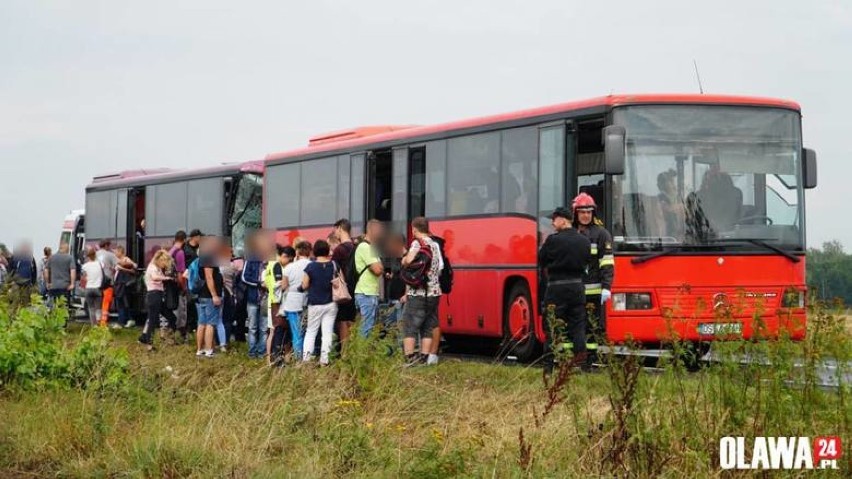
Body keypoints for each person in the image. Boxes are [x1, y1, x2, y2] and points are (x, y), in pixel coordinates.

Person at [539, 207, 592, 374]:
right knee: (578, 326)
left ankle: (549, 366)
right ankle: (579, 364)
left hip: (556, 287)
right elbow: (587, 262)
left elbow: (542, 260)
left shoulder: (553, 240)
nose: (553, 223)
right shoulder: (584, 240)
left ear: (563, 220)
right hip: (577, 287)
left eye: (554, 220)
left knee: (552, 326)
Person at [572, 193, 615, 364]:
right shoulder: (570, 233)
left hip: (594, 291)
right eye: (582, 212)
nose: (585, 215)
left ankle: (588, 360)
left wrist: (606, 287)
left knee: (592, 326)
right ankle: (575, 358)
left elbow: (607, 263)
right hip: (574, 290)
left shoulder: (601, 234)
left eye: (589, 212)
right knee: (575, 325)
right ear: (575, 213)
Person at [401, 217, 444, 365]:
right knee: (428, 325)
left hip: (418, 292)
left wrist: (404, 259)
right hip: (434, 292)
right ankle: (424, 358)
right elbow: (440, 268)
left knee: (410, 325)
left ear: (414, 229)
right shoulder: (435, 244)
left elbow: (409, 261)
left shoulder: (417, 243)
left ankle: (409, 358)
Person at [300, 240, 338, 365]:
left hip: (315, 304)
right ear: (327, 250)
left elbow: (304, 285)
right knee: (327, 334)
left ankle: (307, 360)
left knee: (311, 332)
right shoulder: (333, 264)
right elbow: (339, 281)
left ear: (315, 251)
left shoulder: (310, 267)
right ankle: (324, 361)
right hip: (331, 303)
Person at [139, 250, 177, 351]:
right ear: (160, 260)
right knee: (152, 321)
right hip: (153, 295)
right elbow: (155, 277)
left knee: (171, 317)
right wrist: (166, 278)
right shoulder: (152, 268)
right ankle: (149, 344)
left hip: (158, 296)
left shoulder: (157, 268)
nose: (165, 265)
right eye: (164, 262)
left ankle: (165, 336)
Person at [354, 219, 385, 337]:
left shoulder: (371, 248)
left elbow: (380, 268)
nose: (381, 233)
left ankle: (362, 352)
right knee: (366, 327)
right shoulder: (365, 247)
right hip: (366, 293)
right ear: (371, 230)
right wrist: (379, 268)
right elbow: (378, 270)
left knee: (368, 326)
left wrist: (379, 267)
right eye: (379, 230)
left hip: (369, 292)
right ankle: (361, 353)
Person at [194, 237, 225, 358]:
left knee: (202, 323)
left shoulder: (202, 257)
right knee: (210, 323)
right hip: (209, 296)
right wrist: (214, 295)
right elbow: (209, 277)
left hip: (203, 295)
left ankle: (200, 349)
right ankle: (208, 350)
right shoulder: (208, 258)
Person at [281, 241, 311, 361]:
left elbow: (284, 286)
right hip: (307, 301)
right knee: (308, 331)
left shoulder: (289, 267)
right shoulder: (312, 265)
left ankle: (299, 358)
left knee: (296, 333)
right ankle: (307, 356)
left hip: (292, 302)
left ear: (297, 252)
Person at [266, 245, 294, 365]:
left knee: (273, 331)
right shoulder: (277, 266)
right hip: (278, 302)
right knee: (278, 331)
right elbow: (279, 284)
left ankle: (270, 359)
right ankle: (276, 359)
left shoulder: (269, 265)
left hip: (272, 300)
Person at [331, 219, 357, 344]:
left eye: (335, 230)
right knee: (352, 319)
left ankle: (344, 352)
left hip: (343, 289)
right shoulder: (356, 247)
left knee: (343, 321)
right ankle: (352, 349)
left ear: (340, 228)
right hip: (356, 287)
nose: (334, 233)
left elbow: (334, 269)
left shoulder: (339, 250)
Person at [242, 234, 267, 359]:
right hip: (253, 298)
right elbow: (244, 277)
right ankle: (252, 352)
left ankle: (262, 352)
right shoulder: (251, 259)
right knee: (252, 327)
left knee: (263, 328)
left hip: (265, 300)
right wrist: (259, 284)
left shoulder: (270, 260)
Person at [169, 231, 190, 341]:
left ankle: (172, 335)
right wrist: (183, 287)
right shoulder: (180, 253)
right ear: (184, 240)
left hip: (170, 286)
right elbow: (180, 274)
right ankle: (181, 336)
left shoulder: (171, 251)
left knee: (174, 311)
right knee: (181, 312)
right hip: (178, 286)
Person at [218, 245, 238, 352]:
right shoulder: (232, 266)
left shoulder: (216, 265)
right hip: (229, 295)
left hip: (219, 295)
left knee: (219, 320)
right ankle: (226, 341)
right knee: (228, 320)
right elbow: (236, 278)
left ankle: (219, 342)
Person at [46, 243, 75, 314]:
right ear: (65, 249)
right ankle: (63, 323)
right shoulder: (70, 258)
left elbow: (46, 270)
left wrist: (47, 283)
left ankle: (53, 322)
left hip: (53, 286)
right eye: (68, 249)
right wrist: (72, 284)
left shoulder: (51, 258)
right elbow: (72, 271)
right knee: (63, 306)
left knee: (53, 306)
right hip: (64, 286)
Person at [113, 246, 137, 328]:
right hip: (119, 284)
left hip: (123, 285)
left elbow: (134, 268)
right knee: (123, 303)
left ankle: (123, 321)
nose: (115, 253)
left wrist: (122, 268)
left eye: (116, 252)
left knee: (124, 303)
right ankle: (128, 320)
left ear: (120, 252)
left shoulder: (126, 260)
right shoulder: (118, 261)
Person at [95, 240, 118, 327]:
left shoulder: (95, 254)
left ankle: (97, 321)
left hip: (96, 282)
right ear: (106, 245)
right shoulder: (110, 255)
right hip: (107, 283)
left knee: (97, 303)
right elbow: (118, 263)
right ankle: (103, 323)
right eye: (109, 246)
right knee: (106, 302)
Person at [80, 247, 104, 326]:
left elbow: (84, 276)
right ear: (95, 255)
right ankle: (98, 322)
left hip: (89, 288)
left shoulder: (85, 266)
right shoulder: (100, 264)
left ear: (88, 256)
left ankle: (93, 326)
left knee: (91, 308)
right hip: (98, 288)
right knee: (98, 308)